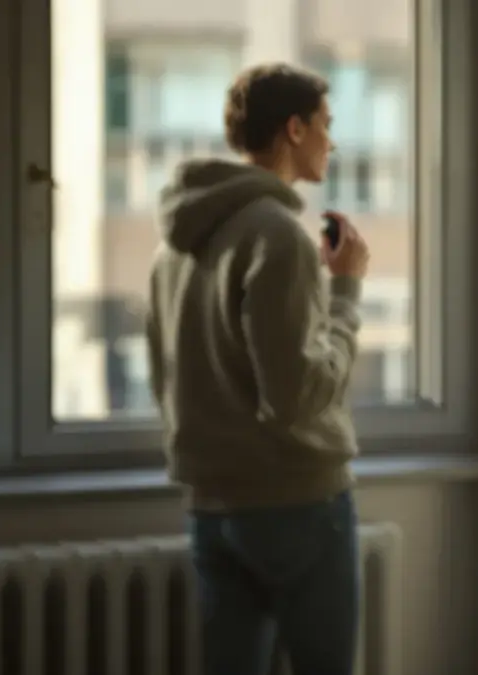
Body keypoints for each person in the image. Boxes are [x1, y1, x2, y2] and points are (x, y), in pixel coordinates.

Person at [145, 63, 369, 675]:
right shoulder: (277, 235)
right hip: (297, 504)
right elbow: (297, 397)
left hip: (213, 509)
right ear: (294, 129)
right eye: (326, 125)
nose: (333, 140)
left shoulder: (174, 247)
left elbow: (164, 377)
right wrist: (346, 293)